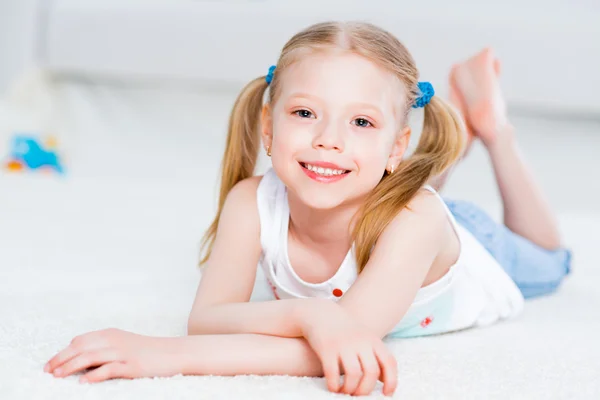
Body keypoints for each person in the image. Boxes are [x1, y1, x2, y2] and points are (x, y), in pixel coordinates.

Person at [44, 21, 571, 397]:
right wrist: (309, 310)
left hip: (475, 249)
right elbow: (208, 320)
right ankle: (443, 154)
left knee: (553, 262)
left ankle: (494, 130)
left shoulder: (417, 219)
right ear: (269, 129)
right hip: (391, 212)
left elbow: (345, 343)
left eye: (360, 122)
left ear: (396, 147)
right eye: (304, 112)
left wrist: (161, 356)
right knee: (391, 199)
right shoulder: (251, 200)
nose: (328, 140)